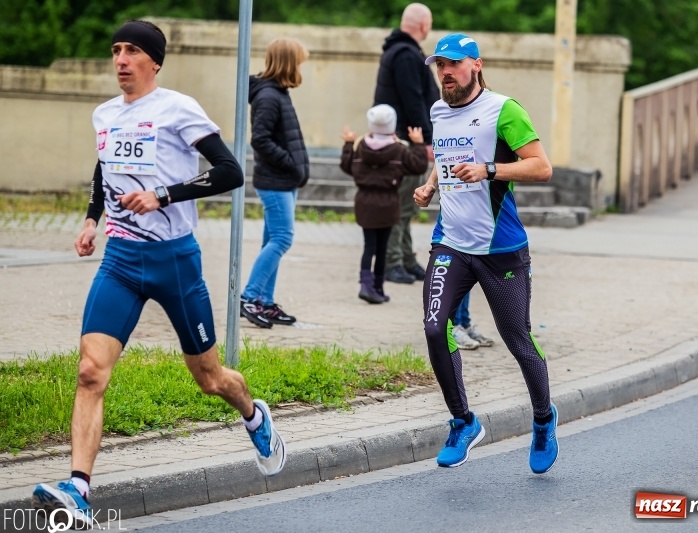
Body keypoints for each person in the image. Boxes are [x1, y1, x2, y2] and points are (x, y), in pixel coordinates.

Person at [30, 20, 286, 528]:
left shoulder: (178, 108)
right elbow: (105, 169)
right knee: (89, 370)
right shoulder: (104, 114)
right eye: (115, 50)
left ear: (154, 61)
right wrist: (90, 219)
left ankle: (254, 416)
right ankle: (79, 490)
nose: (120, 59)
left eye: (131, 51)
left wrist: (163, 195)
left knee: (209, 378)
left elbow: (230, 171)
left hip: (175, 261)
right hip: (121, 261)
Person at [413, 33, 559, 473]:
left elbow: (542, 166)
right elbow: (443, 157)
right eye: (440, 65)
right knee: (435, 329)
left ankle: (543, 419)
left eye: (454, 64)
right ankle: (463, 422)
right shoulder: (439, 110)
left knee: (518, 339)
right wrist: (430, 184)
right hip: (451, 242)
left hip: (501, 248)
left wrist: (490, 170)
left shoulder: (503, 110)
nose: (446, 73)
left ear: (476, 65)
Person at [239, 38, 310, 328]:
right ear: (289, 63)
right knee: (282, 238)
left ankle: (265, 302)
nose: (302, 68)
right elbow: (260, 140)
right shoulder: (269, 96)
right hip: (275, 181)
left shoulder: (277, 92)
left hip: (283, 180)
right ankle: (250, 297)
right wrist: (290, 163)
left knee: (273, 240)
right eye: (300, 62)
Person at [373, 2, 440, 285]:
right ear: (424, 26)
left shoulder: (399, 52)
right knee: (401, 203)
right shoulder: (406, 55)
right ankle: (392, 263)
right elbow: (413, 99)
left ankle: (406, 258)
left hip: (403, 139)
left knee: (406, 203)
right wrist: (425, 139)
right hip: (406, 141)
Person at [339, 104, 429, 304]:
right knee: (382, 248)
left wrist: (348, 144)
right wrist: (419, 144)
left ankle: (365, 284)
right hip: (388, 203)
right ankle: (378, 287)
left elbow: (347, 166)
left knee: (368, 246)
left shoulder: (361, 147)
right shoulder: (398, 149)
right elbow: (418, 166)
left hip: (364, 202)